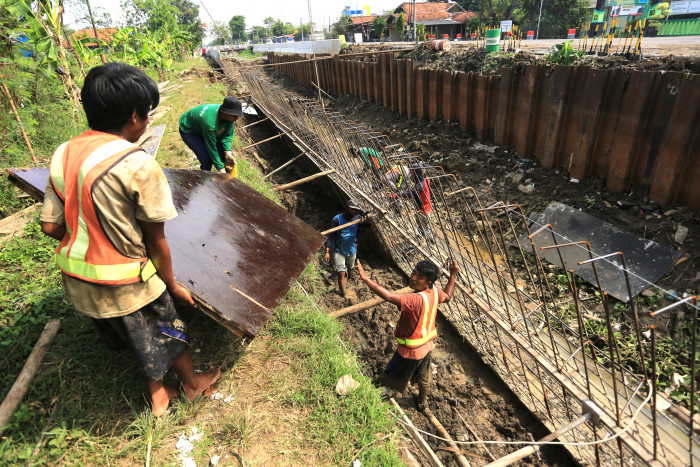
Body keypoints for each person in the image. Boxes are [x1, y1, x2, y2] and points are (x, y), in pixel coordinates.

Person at [40, 62, 220, 417]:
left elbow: (51, 227)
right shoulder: (137, 164)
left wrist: (90, 232)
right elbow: (156, 242)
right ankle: (191, 384)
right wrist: (172, 286)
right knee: (169, 327)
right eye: (149, 114)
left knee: (135, 335)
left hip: (77, 282)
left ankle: (159, 395)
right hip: (125, 281)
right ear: (134, 116)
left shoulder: (64, 152)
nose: (150, 121)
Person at [356, 258, 459, 410]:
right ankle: (422, 401)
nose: (413, 277)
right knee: (424, 375)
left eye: (419, 277)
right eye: (414, 273)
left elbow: (389, 296)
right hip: (426, 346)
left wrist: (365, 278)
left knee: (392, 372)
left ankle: (379, 390)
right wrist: (452, 275)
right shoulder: (436, 291)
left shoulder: (415, 299)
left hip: (410, 350)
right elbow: (448, 296)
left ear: (427, 283)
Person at [179, 97, 243, 173]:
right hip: (189, 130)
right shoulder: (210, 123)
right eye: (235, 116)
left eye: (238, 115)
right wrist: (220, 168)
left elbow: (226, 136)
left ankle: (231, 180)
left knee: (227, 158)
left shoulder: (230, 117)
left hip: (204, 128)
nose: (237, 118)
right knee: (207, 160)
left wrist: (227, 152)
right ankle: (204, 181)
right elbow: (211, 147)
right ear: (226, 112)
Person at [323, 198, 368, 299]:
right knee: (341, 273)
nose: (353, 211)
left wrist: (369, 219)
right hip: (339, 250)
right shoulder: (337, 219)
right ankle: (344, 294)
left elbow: (367, 225)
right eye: (352, 209)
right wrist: (327, 251)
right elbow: (330, 236)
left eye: (355, 210)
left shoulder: (357, 218)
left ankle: (349, 277)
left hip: (352, 250)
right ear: (347, 208)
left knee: (350, 267)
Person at [391, 162, 433, 241]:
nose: (413, 175)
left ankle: (430, 241)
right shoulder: (426, 179)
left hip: (423, 209)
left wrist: (396, 195)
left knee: (426, 227)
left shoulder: (420, 185)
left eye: (414, 173)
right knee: (420, 224)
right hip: (422, 207)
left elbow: (409, 193)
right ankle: (421, 236)